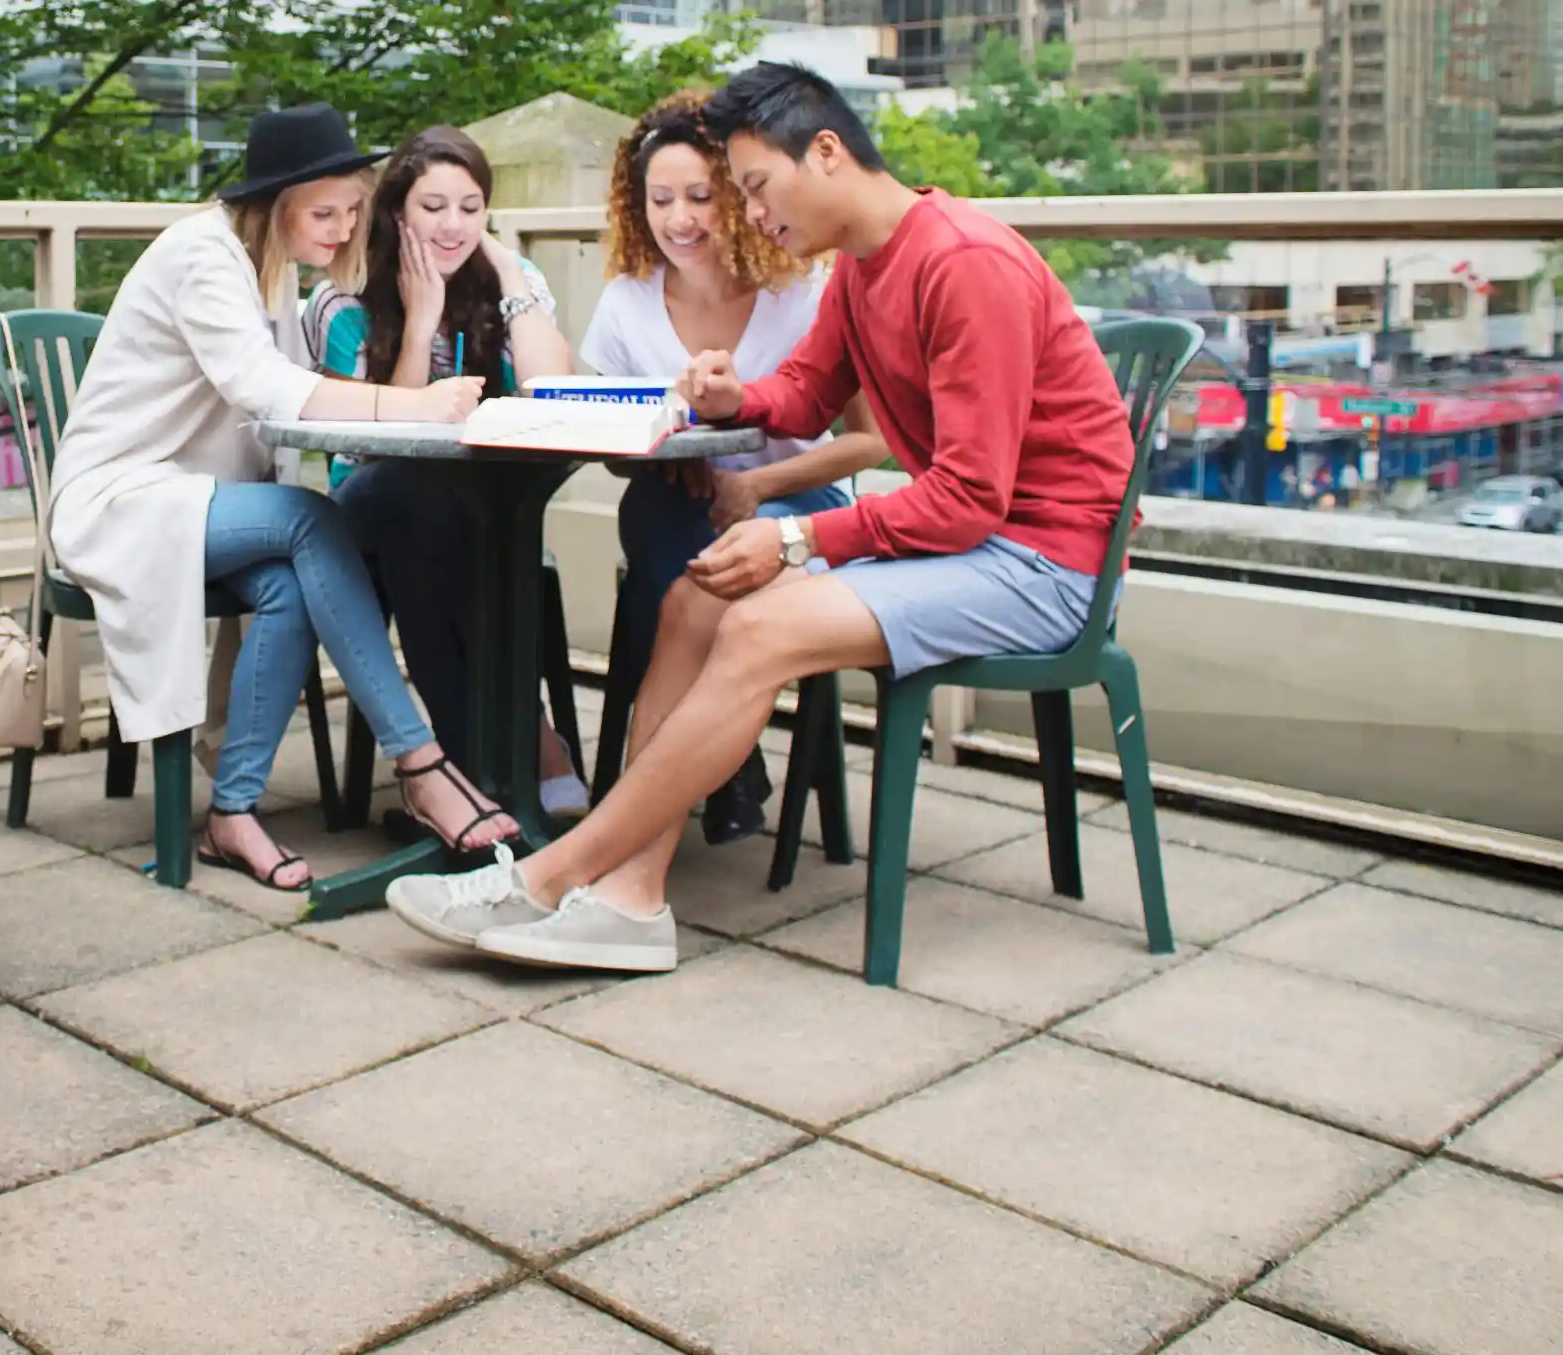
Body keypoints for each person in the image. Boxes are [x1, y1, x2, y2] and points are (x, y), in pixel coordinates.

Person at [387, 61, 1136, 972]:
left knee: (758, 622)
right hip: (976, 547)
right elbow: (809, 388)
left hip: (1043, 565)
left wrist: (796, 533)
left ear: (824, 153)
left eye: (752, 187)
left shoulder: (962, 264)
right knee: (693, 600)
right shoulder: (866, 268)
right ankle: (629, 899)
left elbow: (970, 498)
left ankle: (549, 877)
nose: (750, 214)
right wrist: (730, 397)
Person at [47, 102, 523, 890]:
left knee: (293, 580)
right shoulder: (202, 256)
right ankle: (421, 760)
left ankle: (232, 815)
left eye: (351, 211)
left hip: (196, 503)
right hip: (120, 503)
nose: (342, 229)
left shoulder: (271, 270)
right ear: (275, 208)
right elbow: (267, 389)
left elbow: (310, 402)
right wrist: (413, 404)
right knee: (312, 518)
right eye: (324, 213)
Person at [579, 95, 886, 836]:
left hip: (796, 507)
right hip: (678, 505)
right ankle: (726, 766)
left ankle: (681, 780)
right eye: (659, 200)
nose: (679, 219)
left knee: (701, 562)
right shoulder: (626, 303)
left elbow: (873, 443)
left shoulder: (803, 295)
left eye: (700, 197)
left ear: (741, 198)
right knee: (658, 518)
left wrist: (755, 484)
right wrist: (657, 458)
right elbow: (601, 433)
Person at [306, 125, 587, 816]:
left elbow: (557, 389)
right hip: (362, 517)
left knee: (432, 539)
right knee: (413, 503)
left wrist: (511, 271)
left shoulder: (513, 287)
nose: (453, 224)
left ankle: (465, 781)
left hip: (475, 522)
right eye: (433, 207)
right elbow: (378, 448)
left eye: (471, 206)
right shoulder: (343, 300)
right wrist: (424, 317)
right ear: (397, 212)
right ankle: (530, 748)